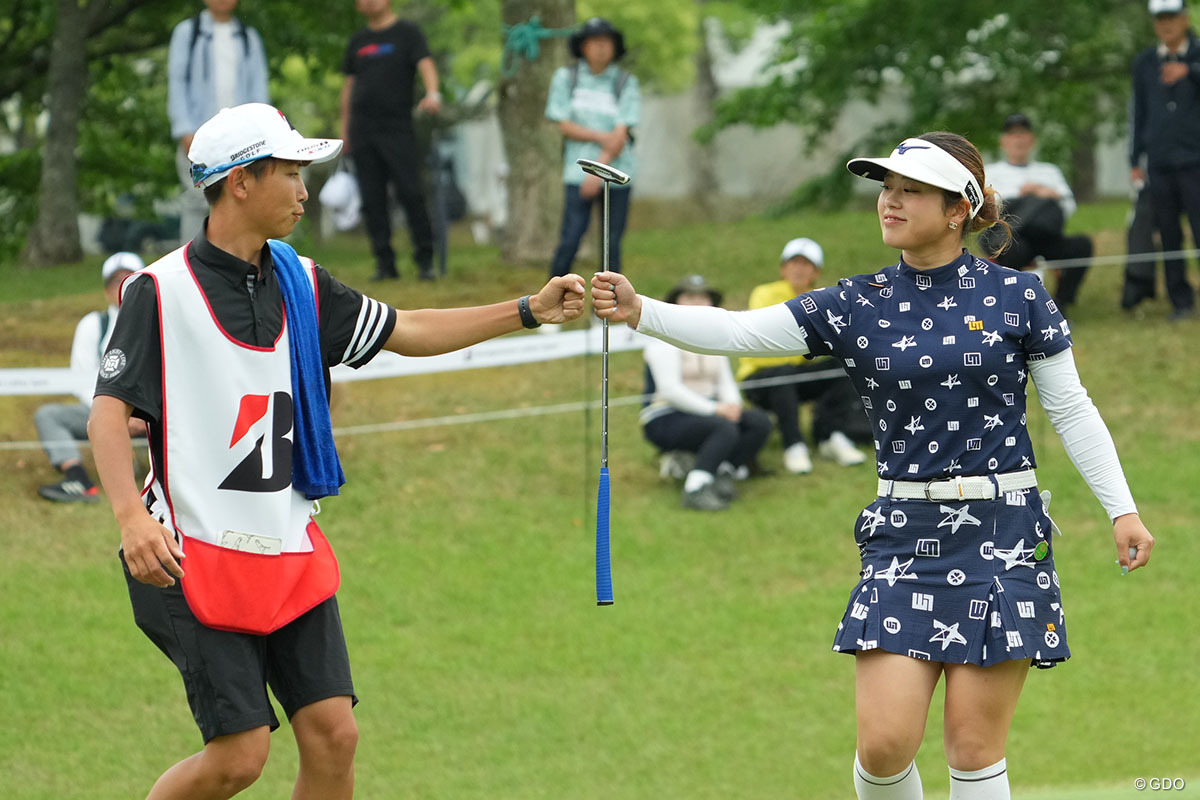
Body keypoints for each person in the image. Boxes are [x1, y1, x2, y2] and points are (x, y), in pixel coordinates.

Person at [592, 131, 1155, 799]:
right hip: (903, 532)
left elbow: (1072, 409)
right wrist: (640, 310)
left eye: (910, 189)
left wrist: (1121, 507)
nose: (889, 200)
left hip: (1003, 531)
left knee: (973, 749)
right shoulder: (857, 303)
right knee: (884, 746)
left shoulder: (1019, 297)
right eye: (887, 187)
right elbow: (742, 331)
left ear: (957, 210)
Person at [88, 102, 585, 800]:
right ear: (239, 182)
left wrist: (526, 310)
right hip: (186, 553)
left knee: (335, 736)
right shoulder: (157, 291)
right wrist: (128, 518)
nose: (304, 189)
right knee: (239, 758)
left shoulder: (305, 283)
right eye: (291, 172)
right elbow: (108, 413)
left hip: (287, 548)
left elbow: (406, 327)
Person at [738, 237, 868, 474]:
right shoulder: (765, 293)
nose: (799, 269)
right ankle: (794, 444)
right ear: (783, 269)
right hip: (759, 378)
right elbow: (770, 338)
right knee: (784, 375)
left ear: (815, 271)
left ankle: (830, 435)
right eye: (793, 263)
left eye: (806, 264)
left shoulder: (819, 298)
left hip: (796, 370)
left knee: (843, 366)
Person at [641, 275, 771, 511]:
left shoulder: (713, 338)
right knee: (723, 428)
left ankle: (722, 473)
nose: (697, 302)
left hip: (709, 411)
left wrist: (732, 406)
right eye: (689, 297)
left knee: (758, 423)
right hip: (666, 416)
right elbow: (670, 390)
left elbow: (725, 382)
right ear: (676, 302)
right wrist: (716, 410)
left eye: (703, 297)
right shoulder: (661, 339)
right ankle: (695, 488)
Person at [340, 0, 441, 281]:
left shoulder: (408, 33)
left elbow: (426, 65)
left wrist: (433, 94)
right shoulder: (357, 41)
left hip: (398, 128)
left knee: (411, 193)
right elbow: (348, 87)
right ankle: (385, 264)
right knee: (372, 200)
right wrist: (344, 129)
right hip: (362, 131)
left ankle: (425, 260)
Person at [34, 252, 145, 503]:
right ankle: (77, 479)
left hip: (154, 414)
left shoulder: (160, 321)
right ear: (106, 291)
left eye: (129, 281)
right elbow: (82, 378)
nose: (121, 288)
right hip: (100, 411)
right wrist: (114, 415)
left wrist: (141, 416)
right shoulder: (92, 324)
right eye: (115, 282)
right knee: (48, 415)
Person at [167, 0, 269, 246]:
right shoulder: (187, 33)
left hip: (241, 138)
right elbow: (177, 83)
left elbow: (259, 88)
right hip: (197, 135)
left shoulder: (248, 37)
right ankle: (190, 265)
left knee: (242, 197)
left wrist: (260, 131)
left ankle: (237, 262)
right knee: (196, 198)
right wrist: (184, 130)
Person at [545, 17, 640, 279]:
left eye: (606, 42)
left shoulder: (624, 82)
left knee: (611, 245)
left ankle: (608, 311)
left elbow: (621, 133)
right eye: (594, 41)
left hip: (617, 174)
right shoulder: (568, 78)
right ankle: (552, 306)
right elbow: (563, 124)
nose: (600, 47)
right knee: (570, 238)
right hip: (577, 174)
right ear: (583, 46)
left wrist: (599, 171)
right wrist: (601, 138)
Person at [1130, 0, 1200, 321]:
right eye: (1160, 19)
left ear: (1185, 19)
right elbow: (1139, 112)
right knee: (1168, 234)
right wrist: (1135, 157)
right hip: (1159, 162)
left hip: (1195, 160)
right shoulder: (1144, 62)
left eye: (1172, 18)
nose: (1166, 25)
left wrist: (1190, 71)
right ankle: (1180, 301)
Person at [982, 114, 1093, 315]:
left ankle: (1060, 303)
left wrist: (1043, 192)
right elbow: (987, 210)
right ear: (1003, 141)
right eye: (1013, 135)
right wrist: (1028, 197)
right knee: (1011, 246)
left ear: (1032, 140)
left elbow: (1069, 206)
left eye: (1023, 134)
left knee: (1082, 245)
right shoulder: (991, 172)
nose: (1018, 140)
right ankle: (1016, 307)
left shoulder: (1049, 172)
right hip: (1011, 238)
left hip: (1045, 236)